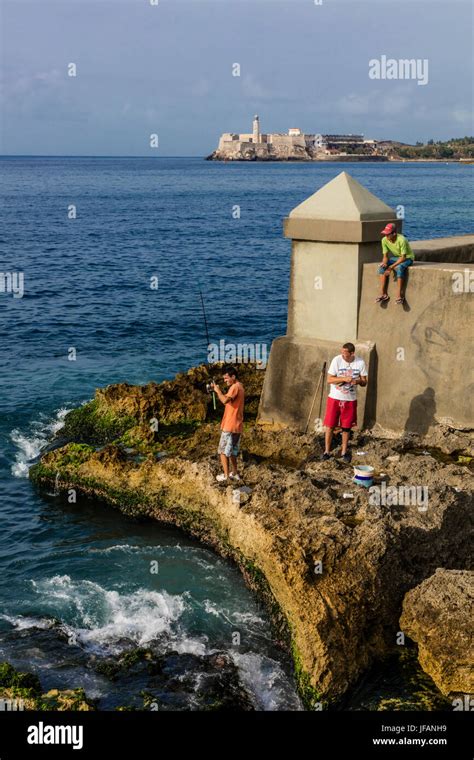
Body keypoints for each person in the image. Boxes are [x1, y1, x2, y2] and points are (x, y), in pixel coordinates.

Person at [321, 343, 367, 463]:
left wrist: (356, 381)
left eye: (345, 354)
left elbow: (364, 381)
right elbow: (330, 379)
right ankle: (326, 451)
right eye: (342, 353)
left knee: (346, 427)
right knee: (330, 425)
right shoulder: (337, 360)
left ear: (352, 353)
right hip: (334, 398)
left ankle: (344, 452)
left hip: (350, 400)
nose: (342, 356)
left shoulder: (360, 362)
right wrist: (343, 379)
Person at [211, 366, 245, 484]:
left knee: (222, 451)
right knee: (232, 451)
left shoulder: (235, 387)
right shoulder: (239, 386)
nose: (225, 381)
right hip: (237, 425)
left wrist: (217, 391)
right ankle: (235, 473)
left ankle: (226, 476)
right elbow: (229, 399)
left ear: (233, 376)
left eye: (226, 378)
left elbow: (225, 400)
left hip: (230, 425)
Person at [376, 222, 415, 305]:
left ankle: (399, 295)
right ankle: (383, 294)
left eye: (388, 234)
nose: (386, 236)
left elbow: (403, 257)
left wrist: (391, 267)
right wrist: (384, 263)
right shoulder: (384, 240)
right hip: (397, 258)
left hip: (408, 258)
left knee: (400, 268)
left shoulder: (402, 240)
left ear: (394, 233)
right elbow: (385, 256)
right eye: (385, 234)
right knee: (381, 268)